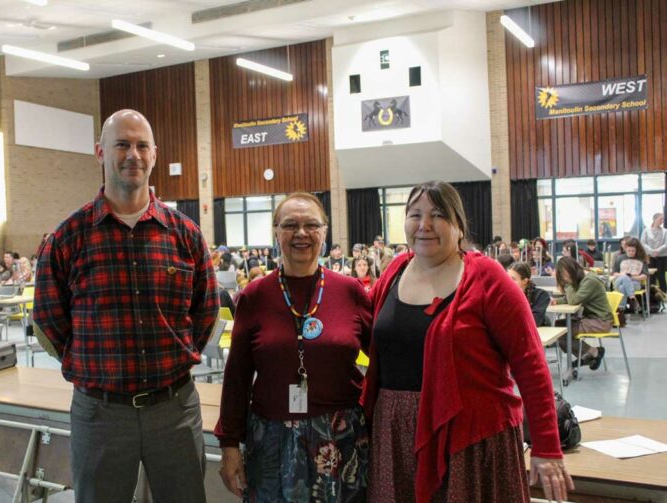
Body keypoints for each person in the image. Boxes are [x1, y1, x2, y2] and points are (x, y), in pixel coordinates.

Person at [32, 109, 219, 503]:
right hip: (100, 415)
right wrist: (93, 365)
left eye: (141, 145)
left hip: (174, 410)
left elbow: (205, 313)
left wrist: (176, 356)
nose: (132, 154)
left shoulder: (185, 234)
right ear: (100, 153)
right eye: (122, 145)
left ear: (154, 155)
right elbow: (49, 321)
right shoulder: (69, 237)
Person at [362, 181, 571, 503]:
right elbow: (358, 328)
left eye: (438, 215)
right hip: (396, 435)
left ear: (459, 226)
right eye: (415, 214)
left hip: (470, 438)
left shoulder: (487, 277)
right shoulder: (394, 272)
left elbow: (530, 364)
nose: (424, 225)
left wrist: (546, 446)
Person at [216, 192, 372, 502]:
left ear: (324, 232)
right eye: (290, 225)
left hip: (342, 440)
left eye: (311, 224)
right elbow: (237, 377)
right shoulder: (254, 296)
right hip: (271, 439)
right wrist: (229, 445)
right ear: (276, 232)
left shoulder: (351, 292)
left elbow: (382, 363)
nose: (301, 233)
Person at [552, 257, 610, 369]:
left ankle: (592, 353)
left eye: (564, 274)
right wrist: (556, 301)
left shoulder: (590, 280)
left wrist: (567, 284)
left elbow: (574, 300)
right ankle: (588, 354)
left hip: (601, 321)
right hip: (591, 318)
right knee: (556, 326)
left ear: (572, 268)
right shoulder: (582, 279)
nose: (564, 278)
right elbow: (572, 298)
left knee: (560, 333)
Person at [611, 237, 649, 311]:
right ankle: (632, 297)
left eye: (633, 251)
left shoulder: (641, 259)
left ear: (636, 250)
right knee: (625, 277)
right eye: (629, 250)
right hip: (619, 281)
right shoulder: (619, 258)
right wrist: (624, 276)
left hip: (635, 283)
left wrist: (632, 277)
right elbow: (614, 273)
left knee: (623, 287)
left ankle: (621, 309)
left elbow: (644, 276)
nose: (631, 252)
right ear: (625, 249)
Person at [508, 262, 551, 326]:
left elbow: (535, 320)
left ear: (525, 281)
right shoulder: (504, 295)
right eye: (507, 278)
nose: (508, 282)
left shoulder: (541, 295)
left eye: (513, 279)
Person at [641, 212, 667, 293]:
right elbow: (643, 243)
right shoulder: (646, 231)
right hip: (650, 257)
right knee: (651, 277)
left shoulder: (665, 231)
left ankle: (664, 296)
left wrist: (658, 250)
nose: (662, 221)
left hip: (662, 257)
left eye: (663, 219)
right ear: (655, 219)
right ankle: (652, 297)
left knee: (661, 277)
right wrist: (651, 251)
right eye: (660, 219)